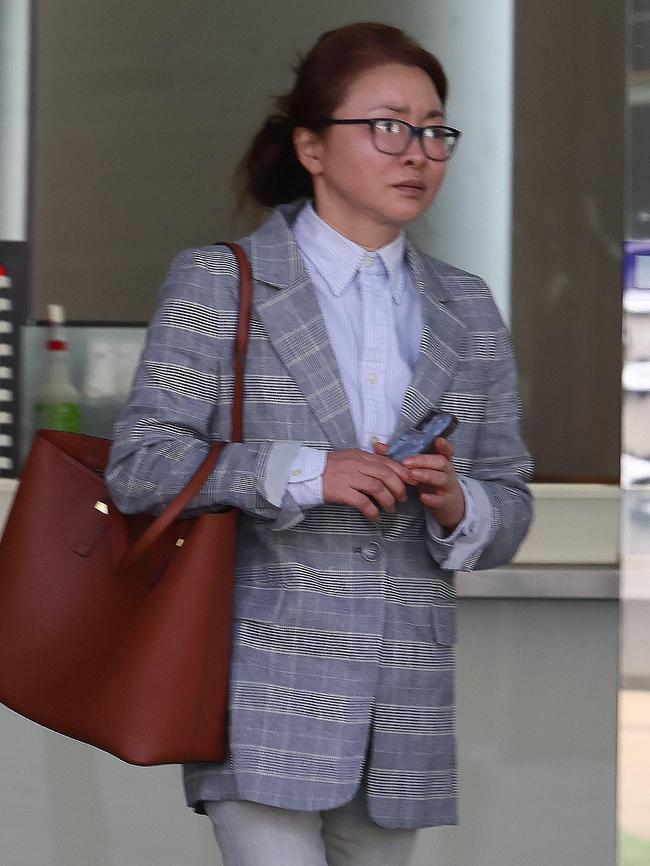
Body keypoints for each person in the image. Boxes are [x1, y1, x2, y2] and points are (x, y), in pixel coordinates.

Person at [106, 21, 533, 866]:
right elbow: (141, 464)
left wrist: (459, 501)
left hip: (402, 709)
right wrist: (307, 471)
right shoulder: (219, 279)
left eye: (434, 129)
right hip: (258, 688)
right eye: (387, 125)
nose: (417, 151)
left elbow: (511, 500)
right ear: (311, 146)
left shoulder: (469, 306)